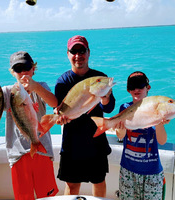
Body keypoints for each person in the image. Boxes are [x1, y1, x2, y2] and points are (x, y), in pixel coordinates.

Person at [0, 51, 59, 200]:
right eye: (18, 69)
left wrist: (35, 87)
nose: (23, 72)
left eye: (27, 67)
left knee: (47, 196)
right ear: (13, 73)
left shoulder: (41, 87)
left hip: (42, 151)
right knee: (23, 197)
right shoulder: (6, 92)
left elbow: (54, 103)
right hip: (17, 155)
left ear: (33, 69)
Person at [54, 35, 116, 197]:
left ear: (88, 53)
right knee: (72, 185)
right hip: (72, 142)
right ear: (67, 54)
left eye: (82, 50)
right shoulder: (62, 81)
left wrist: (105, 97)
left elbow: (109, 108)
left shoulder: (100, 78)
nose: (78, 55)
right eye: (73, 51)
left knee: (99, 181)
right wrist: (59, 117)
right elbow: (60, 109)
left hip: (96, 140)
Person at [116, 71, 168, 200]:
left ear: (148, 87)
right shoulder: (125, 107)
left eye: (140, 85)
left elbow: (162, 141)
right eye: (132, 86)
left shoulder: (156, 109)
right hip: (128, 170)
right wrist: (119, 125)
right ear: (128, 90)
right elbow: (120, 136)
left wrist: (160, 123)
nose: (136, 89)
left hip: (153, 172)